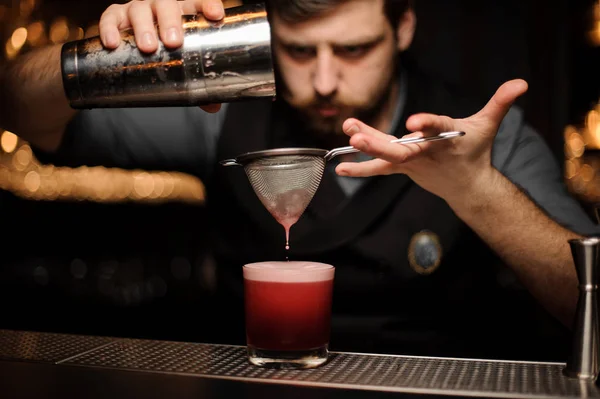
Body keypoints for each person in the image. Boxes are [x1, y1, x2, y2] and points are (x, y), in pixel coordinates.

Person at [0, 0, 597, 361]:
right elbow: (23, 112)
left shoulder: (480, 131)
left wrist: (478, 189)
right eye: (299, 51)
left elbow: (586, 307)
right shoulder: (222, 112)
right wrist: (111, 56)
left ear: (404, 27)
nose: (326, 81)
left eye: (355, 48)